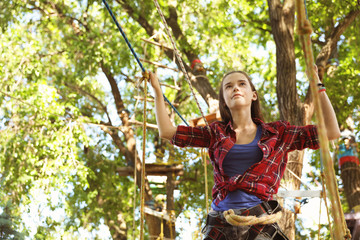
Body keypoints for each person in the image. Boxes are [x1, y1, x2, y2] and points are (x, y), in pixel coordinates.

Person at [148, 67, 340, 240]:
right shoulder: (215, 133)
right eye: (229, 87)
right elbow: (167, 131)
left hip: (261, 224)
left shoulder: (279, 134)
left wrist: (318, 87)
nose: (235, 88)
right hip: (221, 224)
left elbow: (331, 132)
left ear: (253, 95)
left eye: (242, 84)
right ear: (224, 100)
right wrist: (157, 91)